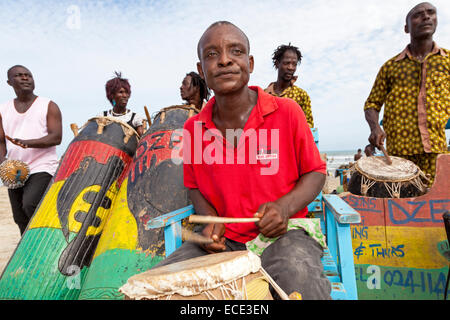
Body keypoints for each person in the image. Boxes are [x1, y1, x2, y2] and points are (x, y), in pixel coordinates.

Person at [155, 21, 330, 299]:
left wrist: (284, 207)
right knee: (161, 286)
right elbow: (195, 187)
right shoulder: (193, 129)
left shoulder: (286, 112)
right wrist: (211, 220)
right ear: (202, 70)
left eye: (235, 51)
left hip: (284, 235)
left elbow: (316, 172)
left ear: (249, 62)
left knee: (298, 274)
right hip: (224, 242)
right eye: (212, 54)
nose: (224, 60)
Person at [364, 2, 449, 185]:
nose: (426, 17)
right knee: (401, 207)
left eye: (431, 13)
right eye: (418, 15)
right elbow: (371, 104)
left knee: (438, 208)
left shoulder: (448, 62)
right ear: (406, 28)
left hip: (436, 151)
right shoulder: (391, 67)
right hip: (398, 156)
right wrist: (375, 128)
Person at [0, 65, 62, 235]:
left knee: (30, 204)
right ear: (9, 82)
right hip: (14, 169)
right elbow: (0, 141)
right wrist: (3, 162)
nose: (25, 78)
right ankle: (27, 252)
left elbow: (56, 137)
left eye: (28, 75)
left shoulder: (48, 105)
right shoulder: (3, 109)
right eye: (19, 75)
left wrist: (27, 143)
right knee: (19, 217)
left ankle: (46, 241)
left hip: (42, 166)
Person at [264, 43, 314, 128]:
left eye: (294, 64)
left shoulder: (301, 95)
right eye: (287, 63)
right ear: (277, 63)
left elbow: (309, 126)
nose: (291, 67)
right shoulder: (264, 95)